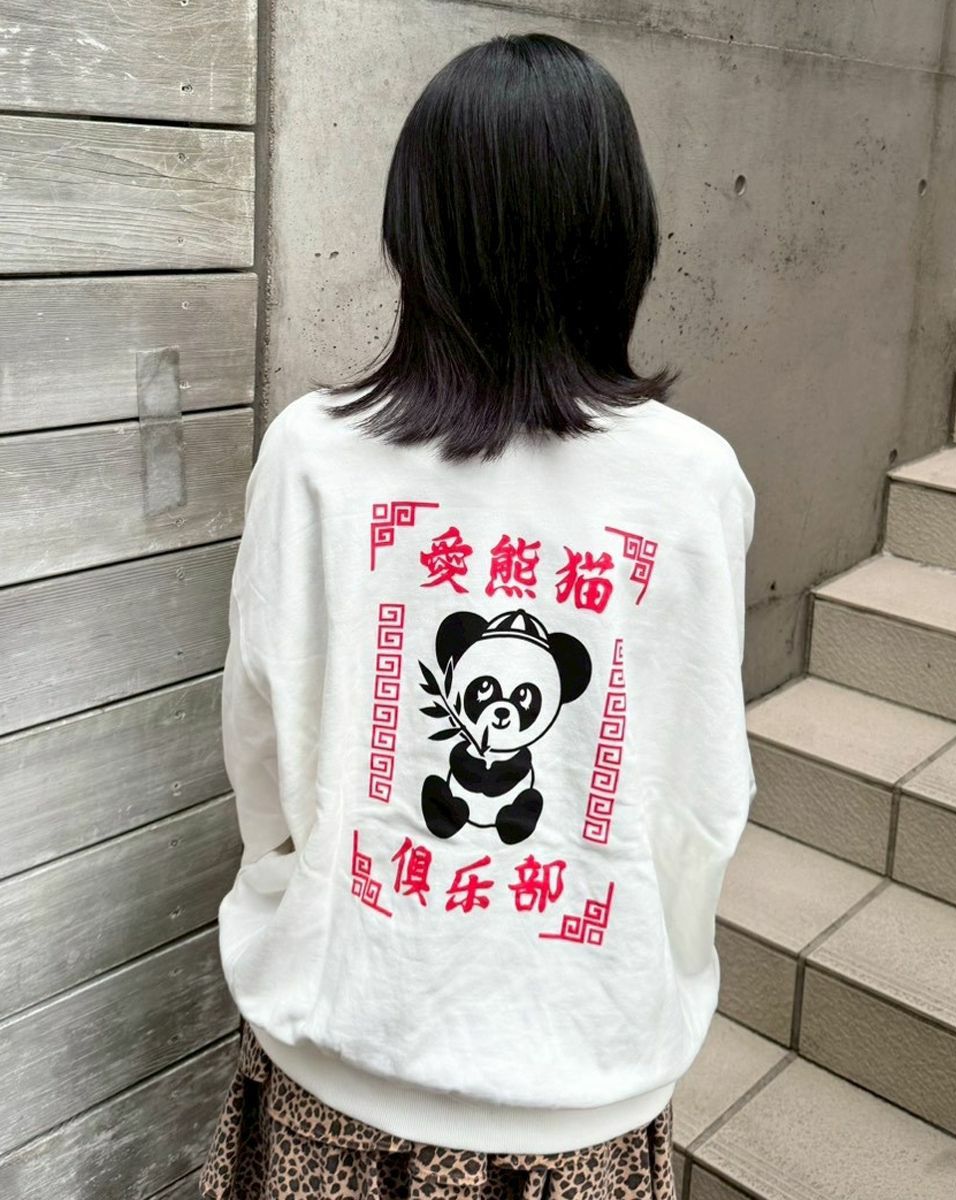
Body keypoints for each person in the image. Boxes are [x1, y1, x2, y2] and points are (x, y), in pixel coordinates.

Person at [198, 30, 755, 1200]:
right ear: (622, 232)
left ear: (414, 230)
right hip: (582, 1074)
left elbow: (260, 742)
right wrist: (643, 960)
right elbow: (701, 794)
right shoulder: (689, 481)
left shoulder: (311, 455)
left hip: (338, 1042)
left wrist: (315, 892)